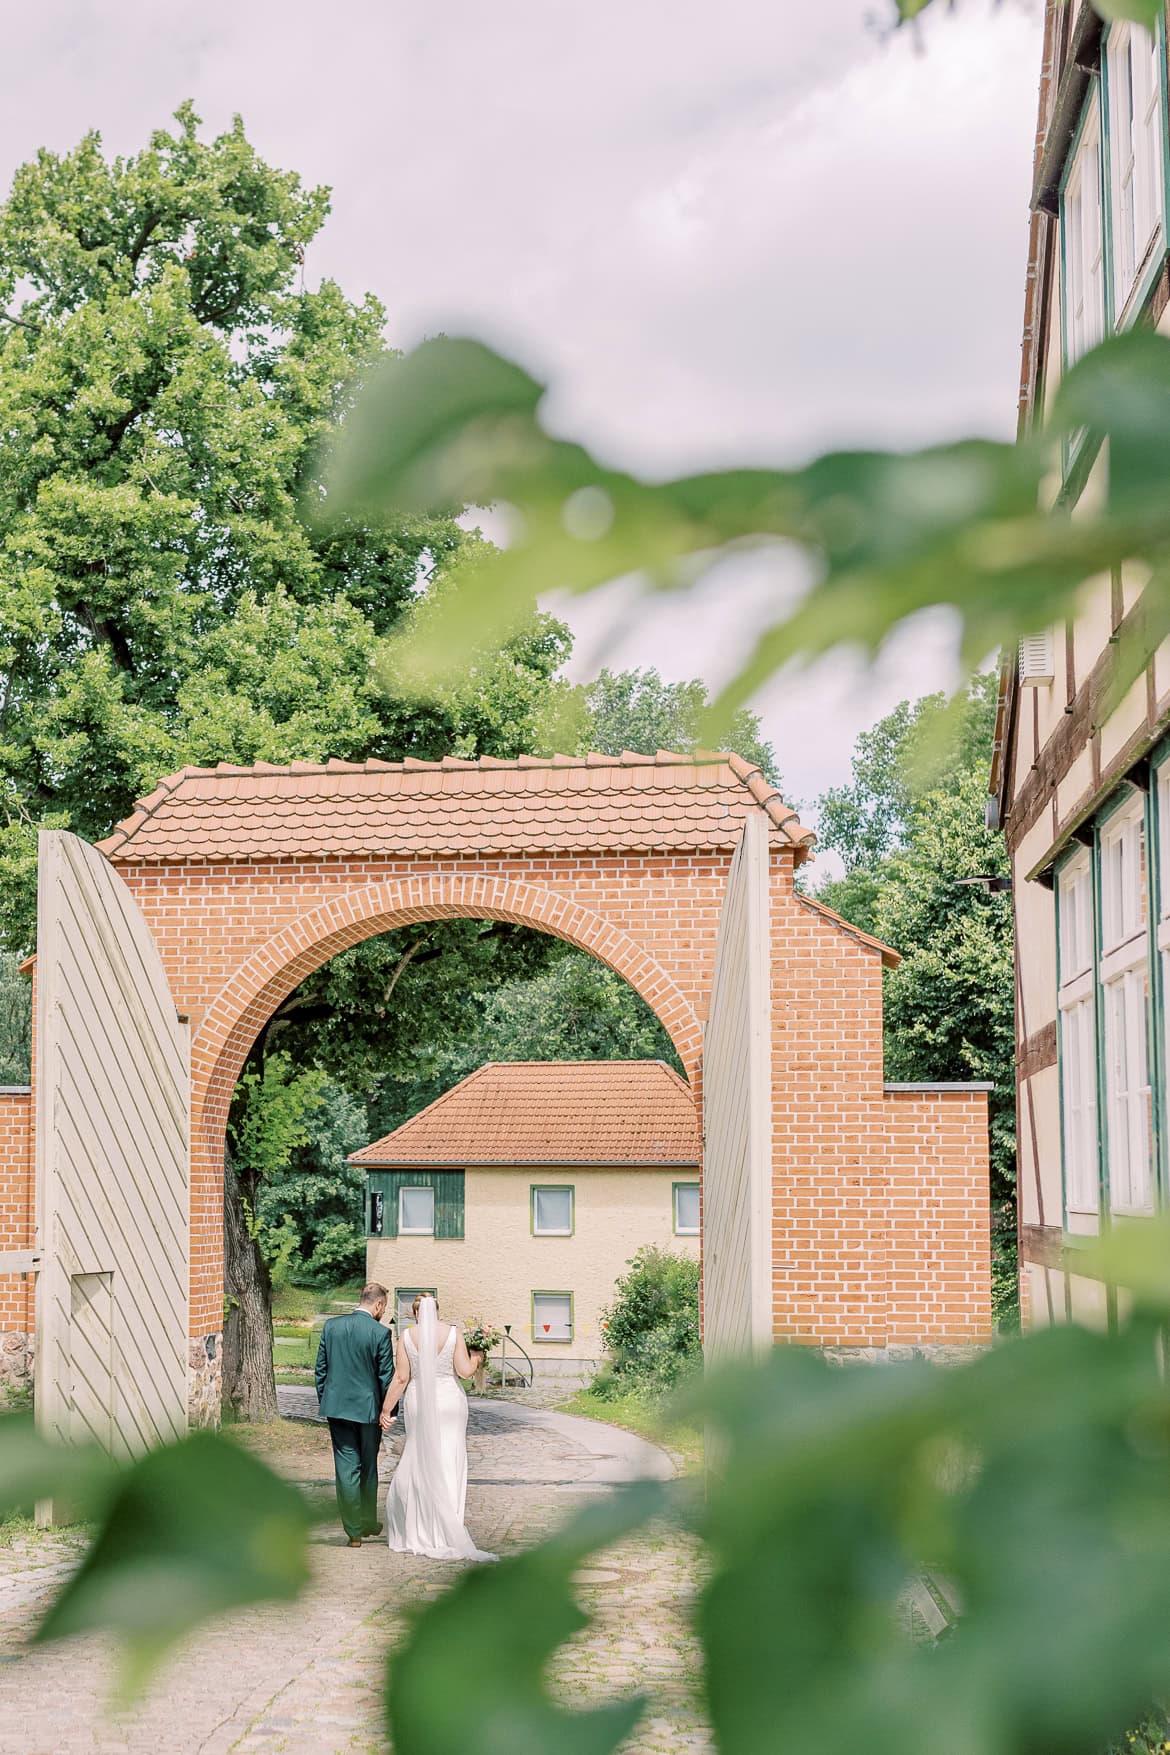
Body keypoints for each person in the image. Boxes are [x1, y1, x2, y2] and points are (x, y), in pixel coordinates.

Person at [380, 1293, 495, 1561]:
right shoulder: (454, 1333)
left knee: (420, 1455)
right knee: (449, 1458)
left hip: (419, 1399)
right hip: (450, 1400)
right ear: (438, 1312)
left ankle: (421, 1525)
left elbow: (400, 1377)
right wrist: (477, 1358)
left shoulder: (407, 1337)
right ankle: (448, 1522)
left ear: (415, 1313)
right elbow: (465, 1372)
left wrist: (386, 1409)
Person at [315, 1281, 395, 1547]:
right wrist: (389, 1411)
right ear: (378, 1304)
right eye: (385, 1306)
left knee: (346, 1467)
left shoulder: (331, 1327)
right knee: (368, 1467)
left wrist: (327, 1402)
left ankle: (354, 1531)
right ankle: (367, 1520)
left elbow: (321, 1371)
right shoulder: (380, 1333)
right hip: (369, 1410)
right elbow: (386, 1377)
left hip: (337, 1408)